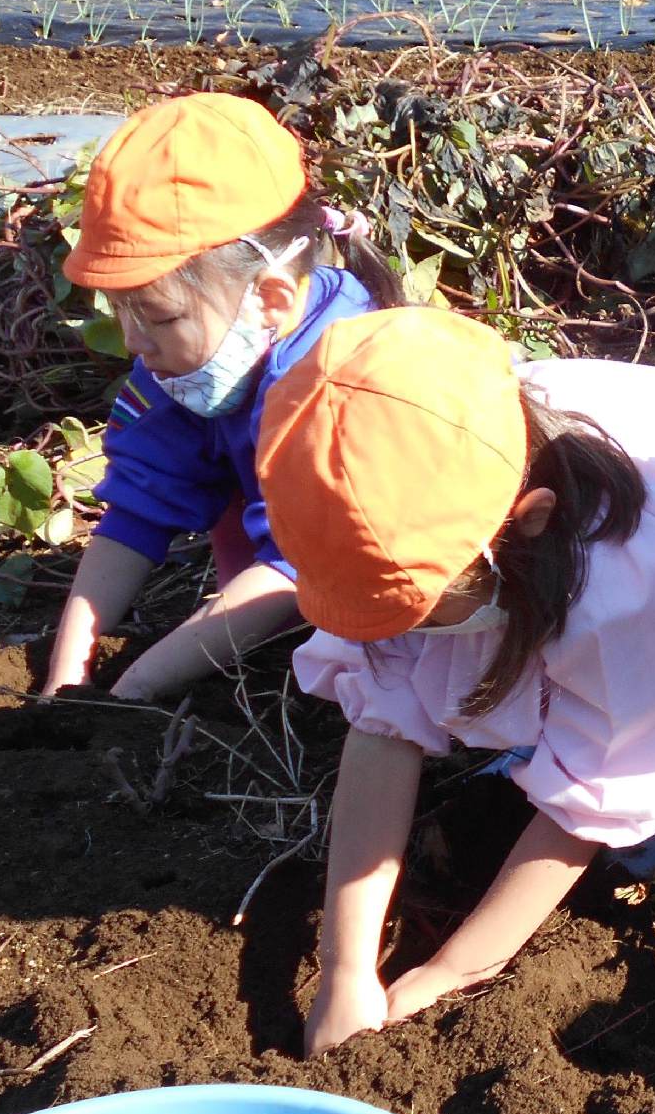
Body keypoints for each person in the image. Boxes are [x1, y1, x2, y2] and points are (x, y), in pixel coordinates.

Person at [258, 308, 655, 1055]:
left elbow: (602, 779)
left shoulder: (640, 588)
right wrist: (346, 969)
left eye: (421, 610)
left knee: (639, 787)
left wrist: (450, 971)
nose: (402, 634)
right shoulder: (414, 463)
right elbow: (382, 719)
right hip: (558, 580)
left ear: (526, 520)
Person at [42, 93, 402, 702]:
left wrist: (134, 689)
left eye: (156, 318)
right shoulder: (189, 360)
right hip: (272, 594)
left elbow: (304, 569)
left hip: (382, 608)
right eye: (119, 310)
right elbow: (138, 507)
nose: (133, 342)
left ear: (270, 300)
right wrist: (68, 679)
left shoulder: (344, 385)